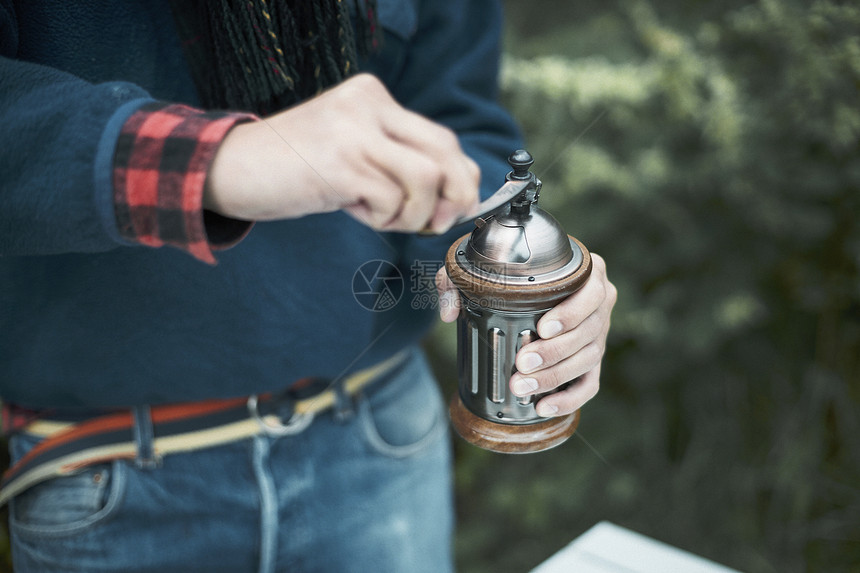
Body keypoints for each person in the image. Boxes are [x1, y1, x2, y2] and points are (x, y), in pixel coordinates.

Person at [0, 1, 616, 572]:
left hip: (382, 448)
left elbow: (464, 126)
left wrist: (524, 267)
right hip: (104, 475)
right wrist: (221, 159)